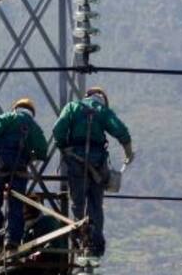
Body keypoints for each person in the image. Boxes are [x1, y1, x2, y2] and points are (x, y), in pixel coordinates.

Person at [51, 86, 134, 257]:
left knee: (78, 201)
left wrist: (63, 147)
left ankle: (79, 237)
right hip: (97, 163)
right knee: (96, 202)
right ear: (102, 99)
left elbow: (58, 129)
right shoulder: (103, 111)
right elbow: (121, 131)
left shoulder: (73, 107)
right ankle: (95, 242)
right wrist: (128, 153)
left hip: (75, 159)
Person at [0, 97, 48, 251]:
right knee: (16, 205)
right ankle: (12, 240)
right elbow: (43, 151)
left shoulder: (5, 118)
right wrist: (31, 155)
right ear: (31, 112)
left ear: (16, 108)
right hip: (19, 169)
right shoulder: (34, 126)